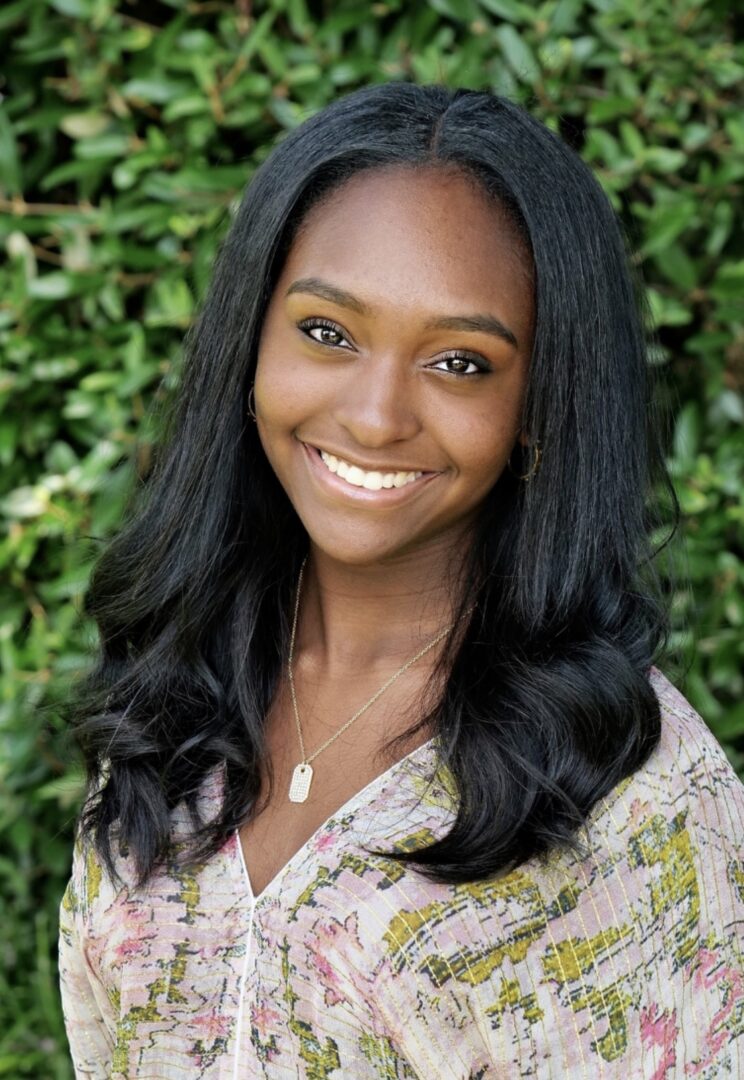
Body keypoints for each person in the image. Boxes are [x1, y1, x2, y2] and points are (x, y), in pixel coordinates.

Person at [58, 82, 743, 1078]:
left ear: (540, 404)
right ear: (251, 341)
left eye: (461, 363)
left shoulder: (634, 793)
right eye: (328, 333)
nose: (377, 416)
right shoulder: (184, 677)